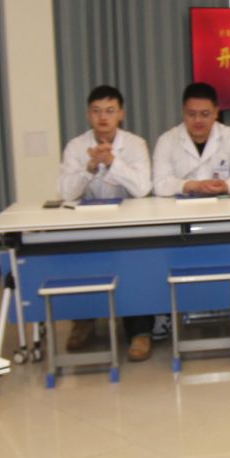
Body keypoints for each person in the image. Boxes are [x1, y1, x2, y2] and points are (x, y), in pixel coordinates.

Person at [57, 84, 155, 359]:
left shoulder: (135, 144)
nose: (103, 117)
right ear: (88, 114)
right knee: (79, 262)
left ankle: (139, 331)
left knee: (135, 267)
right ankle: (84, 322)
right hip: (87, 225)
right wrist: (88, 168)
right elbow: (66, 193)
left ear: (121, 114)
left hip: (127, 225)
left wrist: (113, 162)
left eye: (110, 111)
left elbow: (142, 188)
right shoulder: (76, 146)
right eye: (97, 111)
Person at [153, 83, 230, 197]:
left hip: (224, 205)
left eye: (205, 114)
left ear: (216, 113)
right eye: (191, 114)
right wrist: (192, 186)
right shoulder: (167, 141)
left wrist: (226, 185)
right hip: (181, 206)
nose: (198, 120)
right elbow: (160, 184)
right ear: (183, 112)